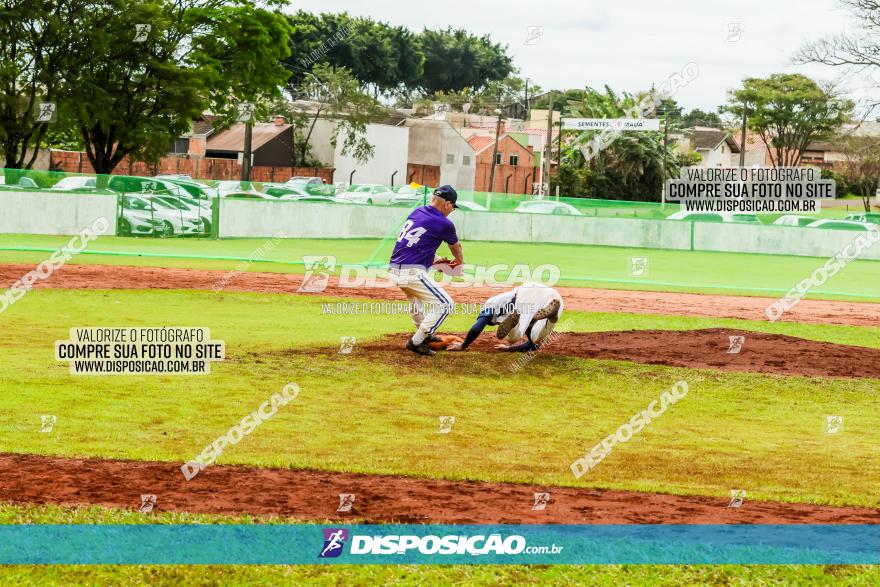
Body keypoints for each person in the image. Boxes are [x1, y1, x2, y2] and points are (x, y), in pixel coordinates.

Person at [388, 185, 463, 356]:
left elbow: (413, 243)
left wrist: (436, 260)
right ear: (447, 204)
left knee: (415, 302)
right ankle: (417, 341)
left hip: (395, 269)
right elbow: (455, 246)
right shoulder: (444, 223)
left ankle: (426, 336)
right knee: (445, 304)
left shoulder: (418, 211)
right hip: (411, 271)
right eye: (453, 207)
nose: (452, 211)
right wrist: (459, 262)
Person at [449, 283, 564, 352]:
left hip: (523, 297)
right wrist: (510, 349)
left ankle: (516, 328)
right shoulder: (500, 299)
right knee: (537, 334)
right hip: (551, 294)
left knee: (517, 338)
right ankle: (552, 317)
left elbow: (477, 327)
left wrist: (463, 345)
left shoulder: (490, 305)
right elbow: (533, 347)